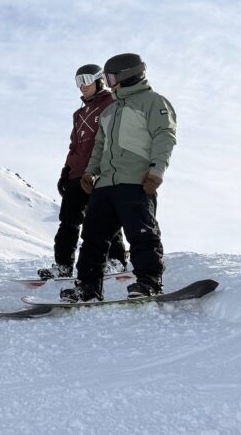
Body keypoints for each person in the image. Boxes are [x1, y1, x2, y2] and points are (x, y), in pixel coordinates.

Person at [61, 53, 176, 302]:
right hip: (105, 185)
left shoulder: (153, 102)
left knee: (141, 234)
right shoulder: (110, 110)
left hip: (136, 181)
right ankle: (88, 286)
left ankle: (149, 281)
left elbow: (165, 137)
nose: (109, 82)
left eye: (112, 77)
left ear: (127, 75)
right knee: (92, 238)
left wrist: (156, 171)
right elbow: (99, 147)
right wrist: (91, 173)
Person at [38, 64, 127, 280]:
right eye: (78, 81)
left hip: (101, 171)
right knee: (68, 220)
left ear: (99, 80)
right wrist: (66, 170)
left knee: (105, 217)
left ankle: (116, 261)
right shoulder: (78, 114)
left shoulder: (112, 103)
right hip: (77, 173)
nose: (81, 86)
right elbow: (75, 145)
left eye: (85, 80)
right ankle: (63, 265)